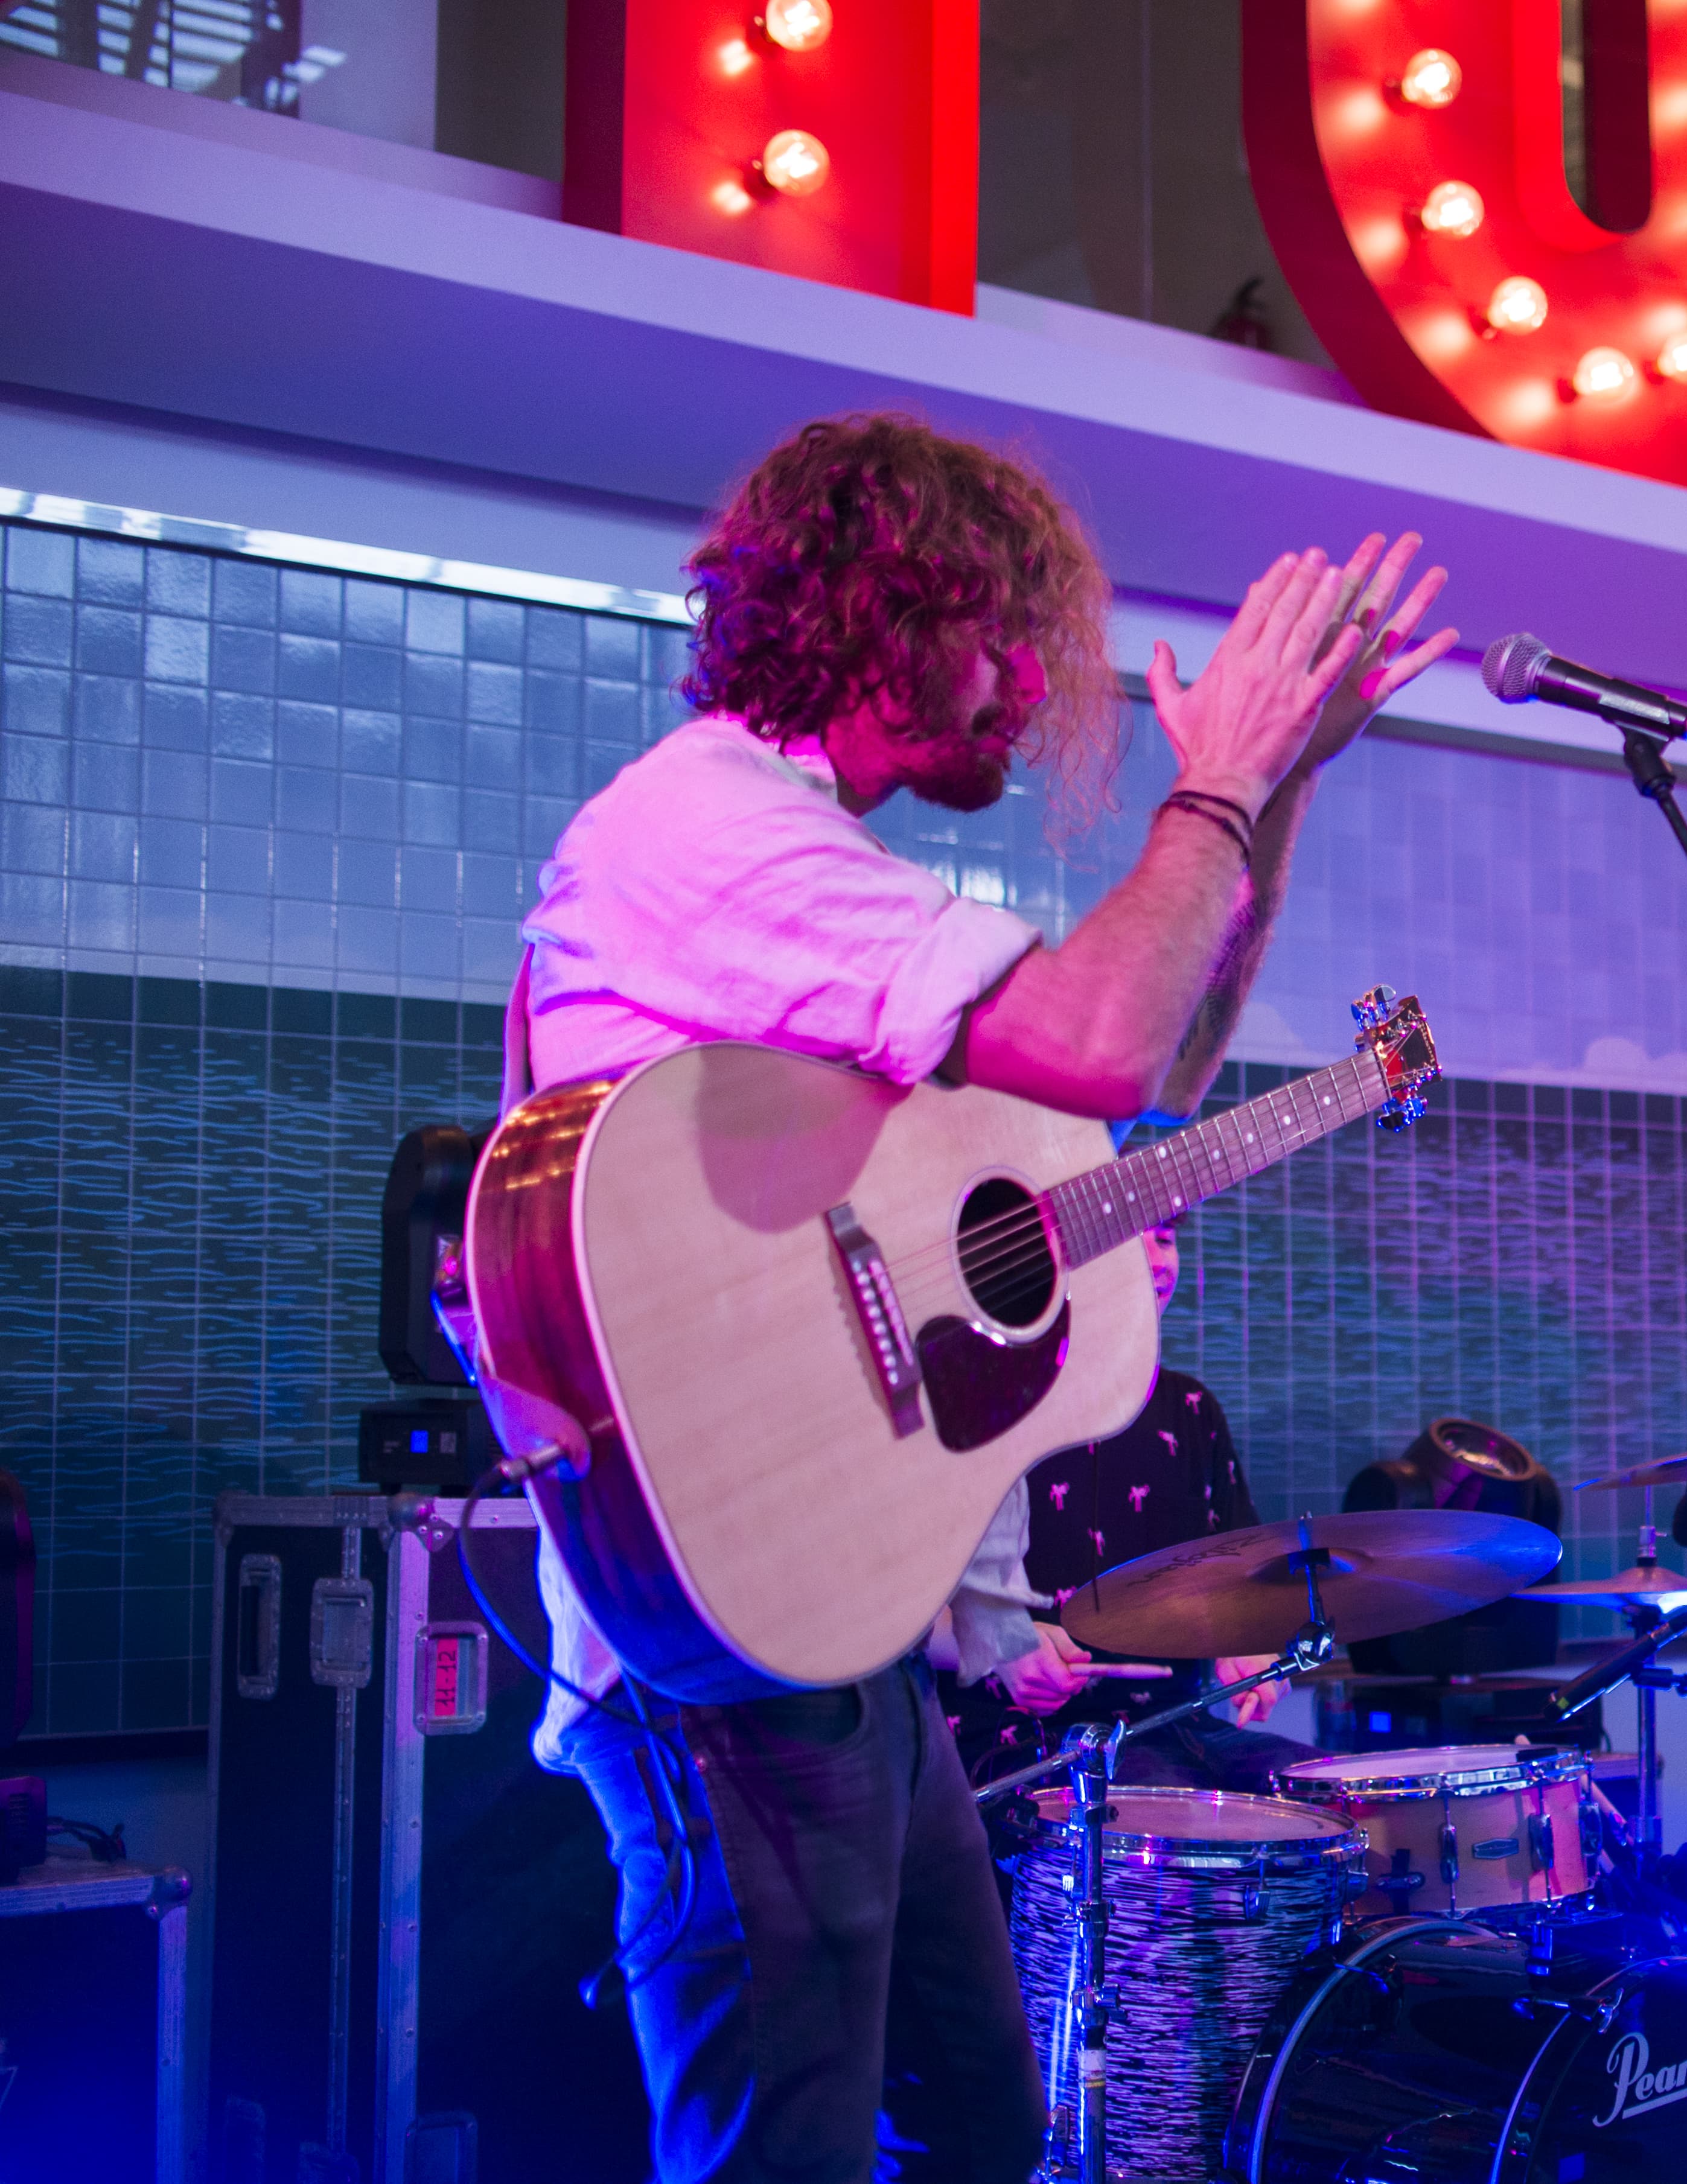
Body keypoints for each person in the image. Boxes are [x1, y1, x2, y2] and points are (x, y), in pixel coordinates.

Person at [512, 412, 1454, 2181]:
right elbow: (1102, 1042)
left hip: (839, 1621)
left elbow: (1148, 1059)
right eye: (1009, 635)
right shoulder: (716, 828)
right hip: (718, 1642)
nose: (1033, 689)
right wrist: (1218, 781)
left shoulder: (796, 858)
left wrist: (1288, 776)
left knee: (981, 2119)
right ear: (907, 616)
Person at [941, 1217, 1322, 1796]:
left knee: (1320, 1799)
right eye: (1126, 1236)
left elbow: (1238, 1585)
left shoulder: (1191, 1408)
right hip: (1017, 1742)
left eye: (1165, 1238)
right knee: (1165, 1813)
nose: (1158, 1261)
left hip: (1176, 1730)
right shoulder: (986, 1405)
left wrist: (1246, 1649)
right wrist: (999, 1646)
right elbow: (895, 1619)